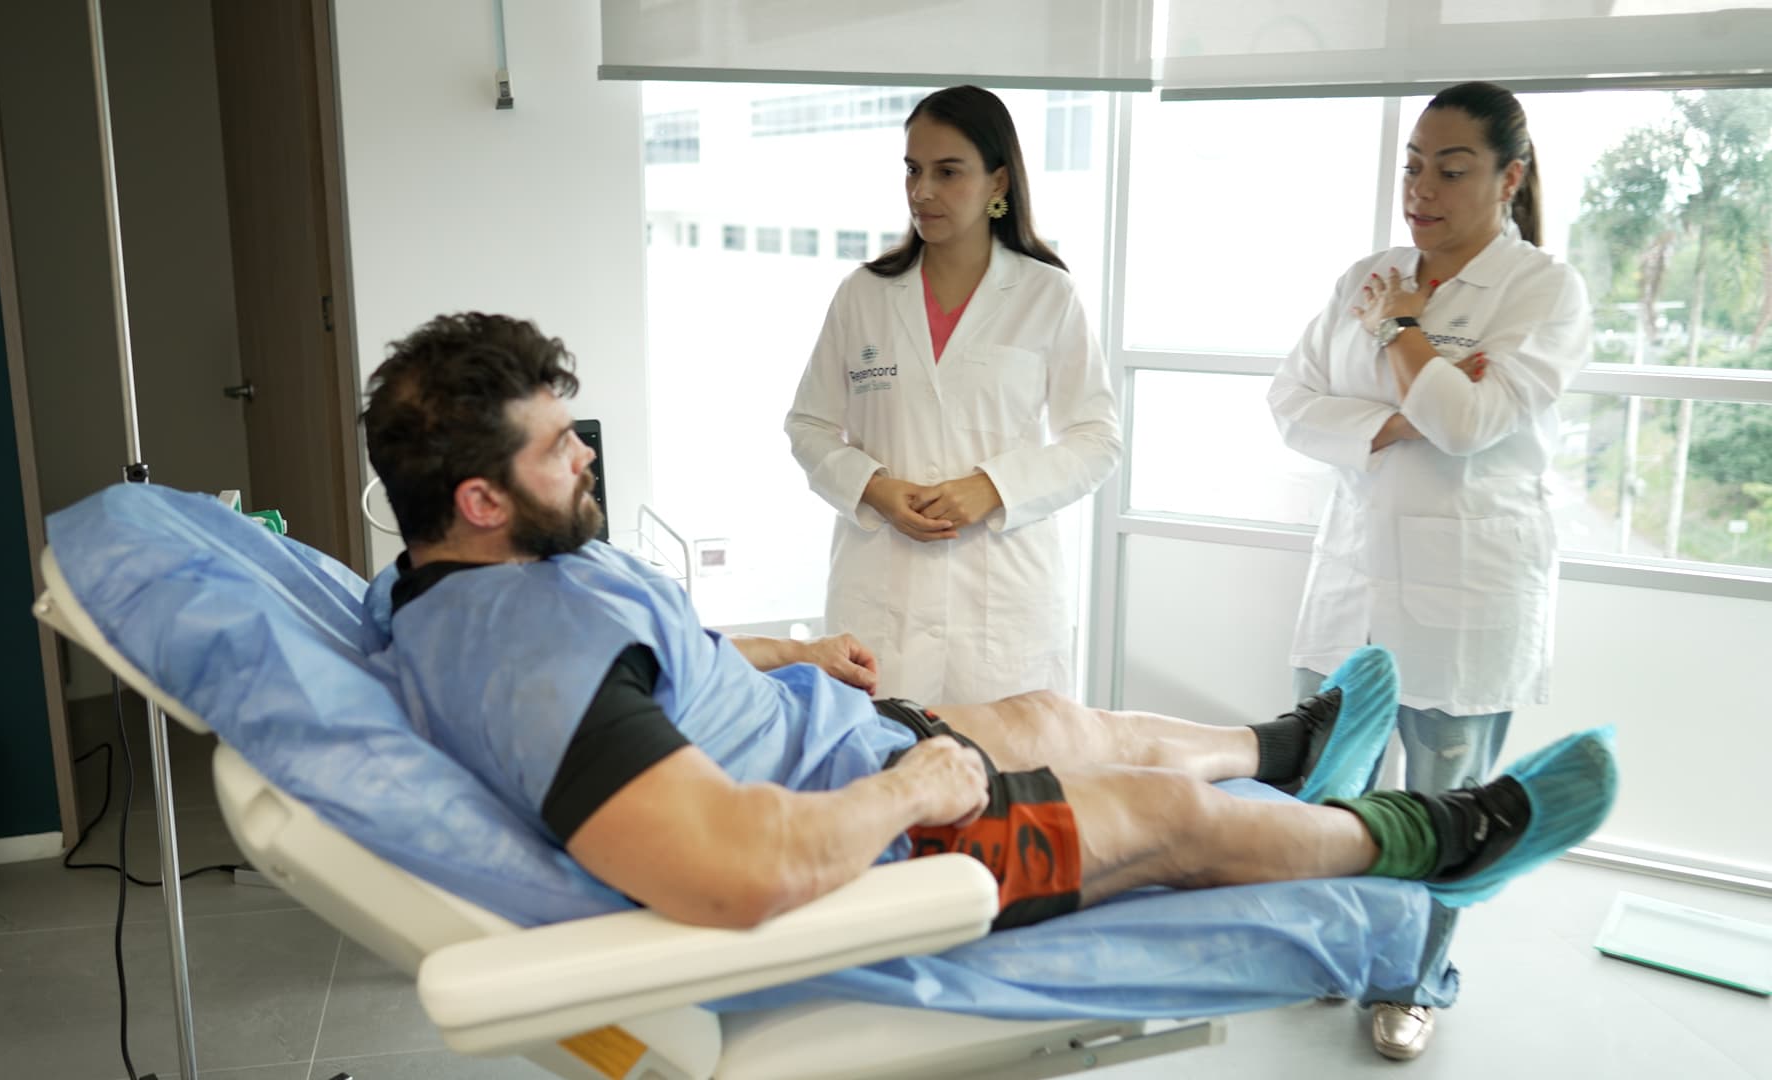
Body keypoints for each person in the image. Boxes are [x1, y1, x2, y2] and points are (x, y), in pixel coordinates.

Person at [363, 311, 1614, 950]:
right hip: (894, 838)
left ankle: (1283, 754)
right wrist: (913, 788)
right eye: (557, 447)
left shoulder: (489, 574)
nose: (586, 456)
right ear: (480, 500)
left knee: (1056, 718)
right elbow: (734, 871)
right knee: (1167, 817)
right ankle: (1437, 839)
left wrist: (794, 656)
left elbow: (649, 665)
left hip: (831, 739)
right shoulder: (523, 655)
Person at [1266, 81, 1593, 1061]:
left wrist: (1403, 335)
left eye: (1451, 170)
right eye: (1414, 165)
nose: (1422, 189)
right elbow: (1291, 403)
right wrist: (1396, 416)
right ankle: (1337, 947)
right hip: (1356, 573)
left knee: (1447, 800)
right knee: (1332, 778)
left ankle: (1412, 982)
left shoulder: (1542, 292)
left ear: (1510, 179)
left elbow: (1468, 425)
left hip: (1471, 588)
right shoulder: (1368, 276)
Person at [785, 85, 1120, 705]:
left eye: (947, 172)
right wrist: (874, 488)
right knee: (883, 755)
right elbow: (807, 424)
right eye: (912, 170)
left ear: (998, 181)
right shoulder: (864, 294)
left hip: (1002, 601)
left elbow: (1097, 440)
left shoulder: (1047, 296)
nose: (922, 192)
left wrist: (994, 488)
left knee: (1007, 761)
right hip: (884, 595)